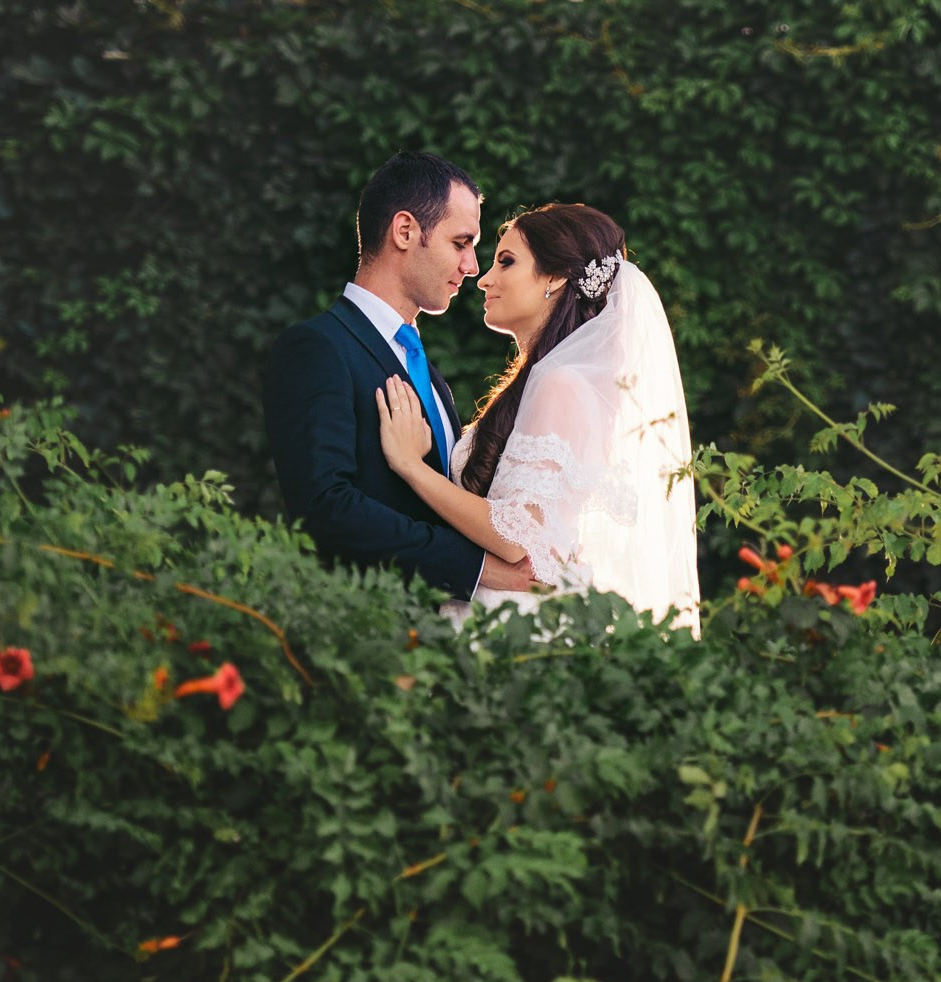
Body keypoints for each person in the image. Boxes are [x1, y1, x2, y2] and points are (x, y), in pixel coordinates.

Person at [373, 203, 700, 633]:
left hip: (513, 624)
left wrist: (412, 468)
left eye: (506, 262)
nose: (484, 278)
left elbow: (522, 535)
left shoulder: (560, 382)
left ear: (555, 277)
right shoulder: (556, 382)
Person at [265, 152, 536, 600]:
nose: (472, 267)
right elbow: (325, 507)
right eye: (460, 243)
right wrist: (473, 567)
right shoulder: (318, 348)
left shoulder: (426, 372)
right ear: (405, 230)